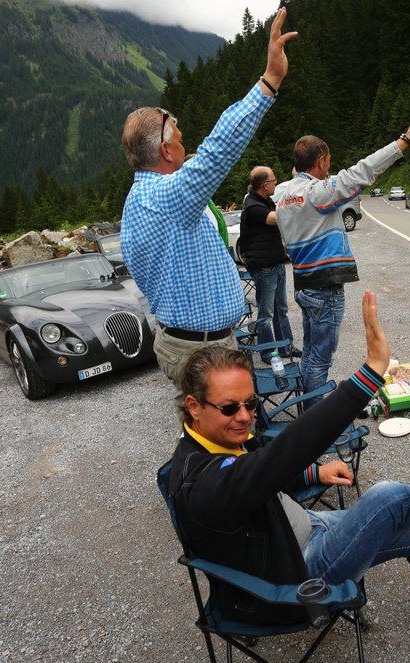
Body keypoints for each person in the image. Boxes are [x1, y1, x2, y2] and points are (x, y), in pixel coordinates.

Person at [168, 291, 410, 630]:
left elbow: (261, 473)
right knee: (387, 496)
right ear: (194, 407)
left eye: (250, 404)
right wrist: (370, 372)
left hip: (304, 529)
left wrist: (314, 473)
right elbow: (278, 457)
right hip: (295, 580)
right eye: (230, 408)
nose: (245, 416)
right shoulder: (202, 482)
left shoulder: (219, 440)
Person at [119, 9, 297, 389]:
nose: (186, 147)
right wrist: (270, 80)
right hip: (201, 349)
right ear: (166, 151)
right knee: (222, 426)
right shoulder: (166, 197)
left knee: (208, 425)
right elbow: (217, 150)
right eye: (180, 140)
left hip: (192, 343)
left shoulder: (142, 197)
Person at [276, 114, 410, 403]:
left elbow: (286, 243)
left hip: (302, 284)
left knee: (310, 353)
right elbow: (363, 171)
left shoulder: (285, 197)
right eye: (329, 161)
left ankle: (307, 411)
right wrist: (405, 140)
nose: (330, 166)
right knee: (320, 359)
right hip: (324, 288)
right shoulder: (316, 193)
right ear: (320, 160)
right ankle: (316, 420)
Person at [239, 166, 300, 361]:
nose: (276, 183)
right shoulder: (253, 206)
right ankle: (267, 352)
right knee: (266, 314)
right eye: (274, 181)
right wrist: (298, 204)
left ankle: (286, 348)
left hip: (275, 264)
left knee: (281, 310)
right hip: (265, 268)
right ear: (265, 185)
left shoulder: (265, 200)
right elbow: (276, 218)